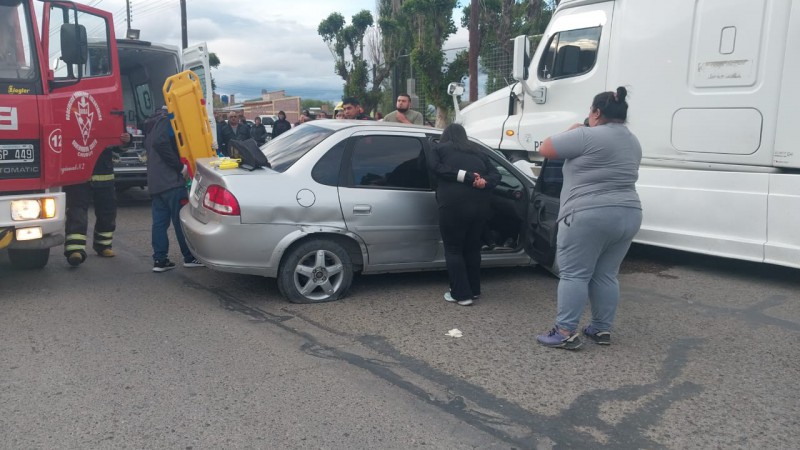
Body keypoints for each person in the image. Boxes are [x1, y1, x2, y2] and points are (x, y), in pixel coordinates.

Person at [535, 87, 642, 350]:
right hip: (629, 213)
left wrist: (573, 128)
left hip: (588, 214)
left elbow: (545, 148)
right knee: (606, 275)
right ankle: (601, 328)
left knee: (574, 274)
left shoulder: (585, 135)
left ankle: (564, 332)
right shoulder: (633, 141)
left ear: (595, 112)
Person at [428, 123, 500, 306]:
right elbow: (496, 174)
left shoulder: (438, 149)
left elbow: (435, 168)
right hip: (480, 206)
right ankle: (474, 291)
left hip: (453, 206)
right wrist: (483, 182)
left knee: (453, 249)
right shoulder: (477, 151)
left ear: (445, 135)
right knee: (472, 249)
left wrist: (465, 176)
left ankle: (461, 295)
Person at [143, 107, 204, 272]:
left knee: (159, 223)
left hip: (155, 183)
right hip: (171, 182)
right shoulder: (166, 121)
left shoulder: (150, 126)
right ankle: (189, 257)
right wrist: (180, 167)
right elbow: (161, 143)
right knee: (180, 221)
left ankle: (160, 260)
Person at [63, 133, 130, 266]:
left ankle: (103, 245)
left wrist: (126, 140)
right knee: (77, 212)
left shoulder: (107, 121)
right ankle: (75, 250)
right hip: (78, 172)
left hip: (103, 173)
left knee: (107, 211)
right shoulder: (70, 119)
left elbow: (118, 142)